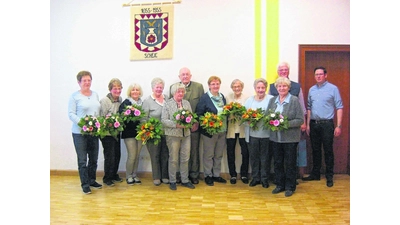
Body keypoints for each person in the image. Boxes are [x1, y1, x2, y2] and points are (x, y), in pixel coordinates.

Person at [302, 66, 343, 188]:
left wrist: (338, 125)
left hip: (327, 124)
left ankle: (329, 176)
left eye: (320, 74)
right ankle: (315, 173)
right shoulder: (312, 90)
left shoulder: (333, 89)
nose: (318, 76)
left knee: (328, 150)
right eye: (316, 74)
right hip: (314, 124)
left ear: (326, 75)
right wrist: (308, 124)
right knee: (315, 150)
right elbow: (309, 108)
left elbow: (339, 107)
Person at [268, 61, 307, 181]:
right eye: (279, 86)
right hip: (276, 137)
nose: (282, 88)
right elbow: (268, 115)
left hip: (290, 136)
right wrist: (271, 122)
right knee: (278, 161)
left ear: (289, 87)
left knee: (290, 162)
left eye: (284, 86)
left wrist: (285, 124)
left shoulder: (294, 98)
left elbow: (301, 114)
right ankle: (280, 184)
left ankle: (290, 185)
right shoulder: (272, 99)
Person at [68, 70, 102, 194]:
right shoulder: (74, 96)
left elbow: (97, 112)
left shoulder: (95, 95)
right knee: (83, 160)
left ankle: (92, 180)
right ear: (79, 82)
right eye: (84, 80)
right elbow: (71, 114)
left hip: (94, 132)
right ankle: (85, 184)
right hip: (79, 133)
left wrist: (97, 124)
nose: (87, 82)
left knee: (94, 158)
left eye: (89, 80)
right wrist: (84, 124)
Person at [169, 67, 204, 184]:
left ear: (190, 76)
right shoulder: (173, 87)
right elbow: (171, 107)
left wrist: (196, 122)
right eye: (182, 74)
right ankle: (179, 175)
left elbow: (201, 106)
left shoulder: (198, 87)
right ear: (179, 76)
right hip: (177, 128)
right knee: (177, 153)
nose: (185, 76)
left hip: (193, 126)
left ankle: (194, 174)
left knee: (193, 151)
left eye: (187, 74)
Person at [162, 83, 196, 190]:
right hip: (173, 135)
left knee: (185, 158)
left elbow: (191, 117)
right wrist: (176, 124)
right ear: (173, 92)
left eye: (182, 91)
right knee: (173, 159)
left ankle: (185, 180)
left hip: (186, 134)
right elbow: (163, 120)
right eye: (178, 91)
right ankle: (172, 180)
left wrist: (190, 122)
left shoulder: (186, 103)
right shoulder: (167, 104)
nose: (181, 93)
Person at [196, 75, 227, 186]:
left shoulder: (222, 97)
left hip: (222, 130)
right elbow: (199, 114)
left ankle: (216, 175)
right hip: (209, 133)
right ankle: (208, 175)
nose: (215, 86)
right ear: (209, 85)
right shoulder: (205, 98)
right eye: (213, 84)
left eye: (217, 83)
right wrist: (208, 124)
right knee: (209, 155)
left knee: (218, 154)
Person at [244, 78, 273, 188]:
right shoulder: (249, 100)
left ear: (265, 88)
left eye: (262, 88)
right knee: (254, 157)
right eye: (258, 88)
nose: (260, 90)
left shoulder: (271, 99)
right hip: (252, 135)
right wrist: (248, 119)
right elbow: (244, 115)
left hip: (266, 135)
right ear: (255, 88)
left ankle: (264, 179)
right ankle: (255, 178)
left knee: (265, 158)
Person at [142, 77, 169, 186]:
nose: (159, 89)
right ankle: (156, 177)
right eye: (157, 87)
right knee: (155, 155)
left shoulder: (167, 98)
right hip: (152, 134)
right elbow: (143, 119)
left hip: (166, 133)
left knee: (165, 155)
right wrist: (147, 131)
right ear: (152, 88)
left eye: (161, 87)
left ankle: (165, 176)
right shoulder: (147, 101)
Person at [118, 83, 144, 185]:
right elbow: (121, 117)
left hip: (140, 132)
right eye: (133, 90)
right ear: (130, 92)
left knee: (137, 155)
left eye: (137, 90)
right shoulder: (126, 103)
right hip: (129, 133)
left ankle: (134, 175)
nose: (135, 92)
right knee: (132, 155)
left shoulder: (142, 103)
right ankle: (128, 176)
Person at [99, 78, 123, 187]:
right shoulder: (105, 101)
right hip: (106, 133)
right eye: (115, 89)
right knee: (110, 155)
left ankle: (114, 174)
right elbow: (101, 117)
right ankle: (107, 178)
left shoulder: (120, 99)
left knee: (117, 154)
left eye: (119, 88)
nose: (117, 91)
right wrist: (108, 123)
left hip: (116, 132)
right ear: (110, 89)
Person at [225, 79, 250, 184]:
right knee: (230, 152)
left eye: (238, 86)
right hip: (231, 128)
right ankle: (233, 175)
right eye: (234, 87)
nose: (237, 89)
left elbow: (248, 112)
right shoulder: (228, 98)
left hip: (243, 128)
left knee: (245, 152)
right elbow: (225, 112)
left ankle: (244, 174)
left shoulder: (247, 98)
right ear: (232, 88)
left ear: (242, 87)